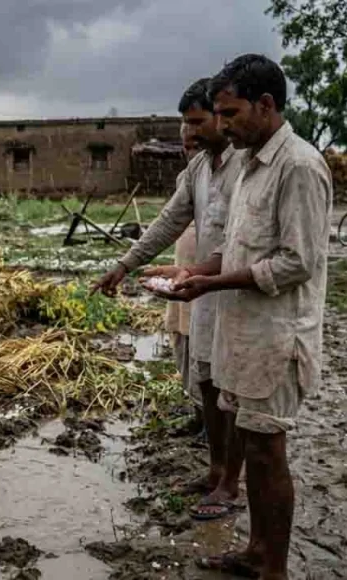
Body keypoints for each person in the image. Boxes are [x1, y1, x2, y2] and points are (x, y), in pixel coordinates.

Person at [150, 54, 333, 580]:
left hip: (276, 338)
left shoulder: (298, 167)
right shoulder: (251, 166)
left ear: (266, 104)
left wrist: (212, 283)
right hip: (244, 331)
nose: (222, 125)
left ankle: (273, 567)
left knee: (269, 452)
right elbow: (235, 249)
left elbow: (297, 262)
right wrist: (192, 272)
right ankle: (256, 550)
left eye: (230, 113)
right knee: (254, 444)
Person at [93, 77, 246, 520]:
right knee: (207, 382)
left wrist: (194, 272)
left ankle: (231, 483)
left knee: (233, 391)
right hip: (202, 293)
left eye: (197, 122)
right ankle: (215, 470)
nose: (188, 132)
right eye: (185, 123)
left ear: (219, 117)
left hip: (239, 293)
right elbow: (167, 221)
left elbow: (245, 244)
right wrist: (124, 265)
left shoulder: (246, 167)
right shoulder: (198, 170)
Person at [166, 123, 202, 431]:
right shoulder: (185, 179)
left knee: (204, 353)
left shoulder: (228, 179)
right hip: (182, 275)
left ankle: (211, 422)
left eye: (197, 146)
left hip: (206, 280)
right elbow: (168, 223)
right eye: (188, 147)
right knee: (182, 341)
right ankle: (198, 413)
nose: (192, 153)